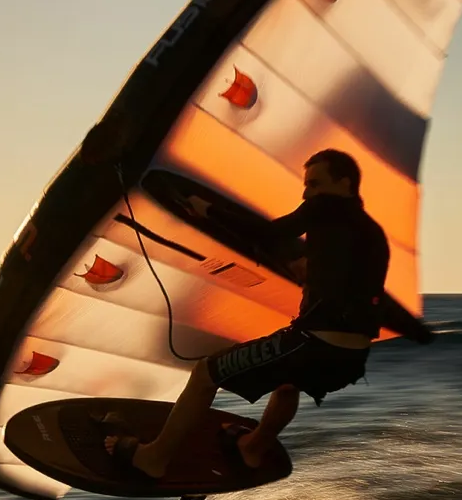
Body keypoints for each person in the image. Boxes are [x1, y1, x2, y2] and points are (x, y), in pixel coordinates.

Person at [102, 148, 406, 477]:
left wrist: (209, 211)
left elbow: (267, 232)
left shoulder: (324, 210)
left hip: (314, 345)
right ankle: (253, 447)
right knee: (289, 384)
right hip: (351, 358)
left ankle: (153, 460)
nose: (307, 193)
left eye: (315, 184)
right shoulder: (370, 232)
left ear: (344, 183)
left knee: (206, 373)